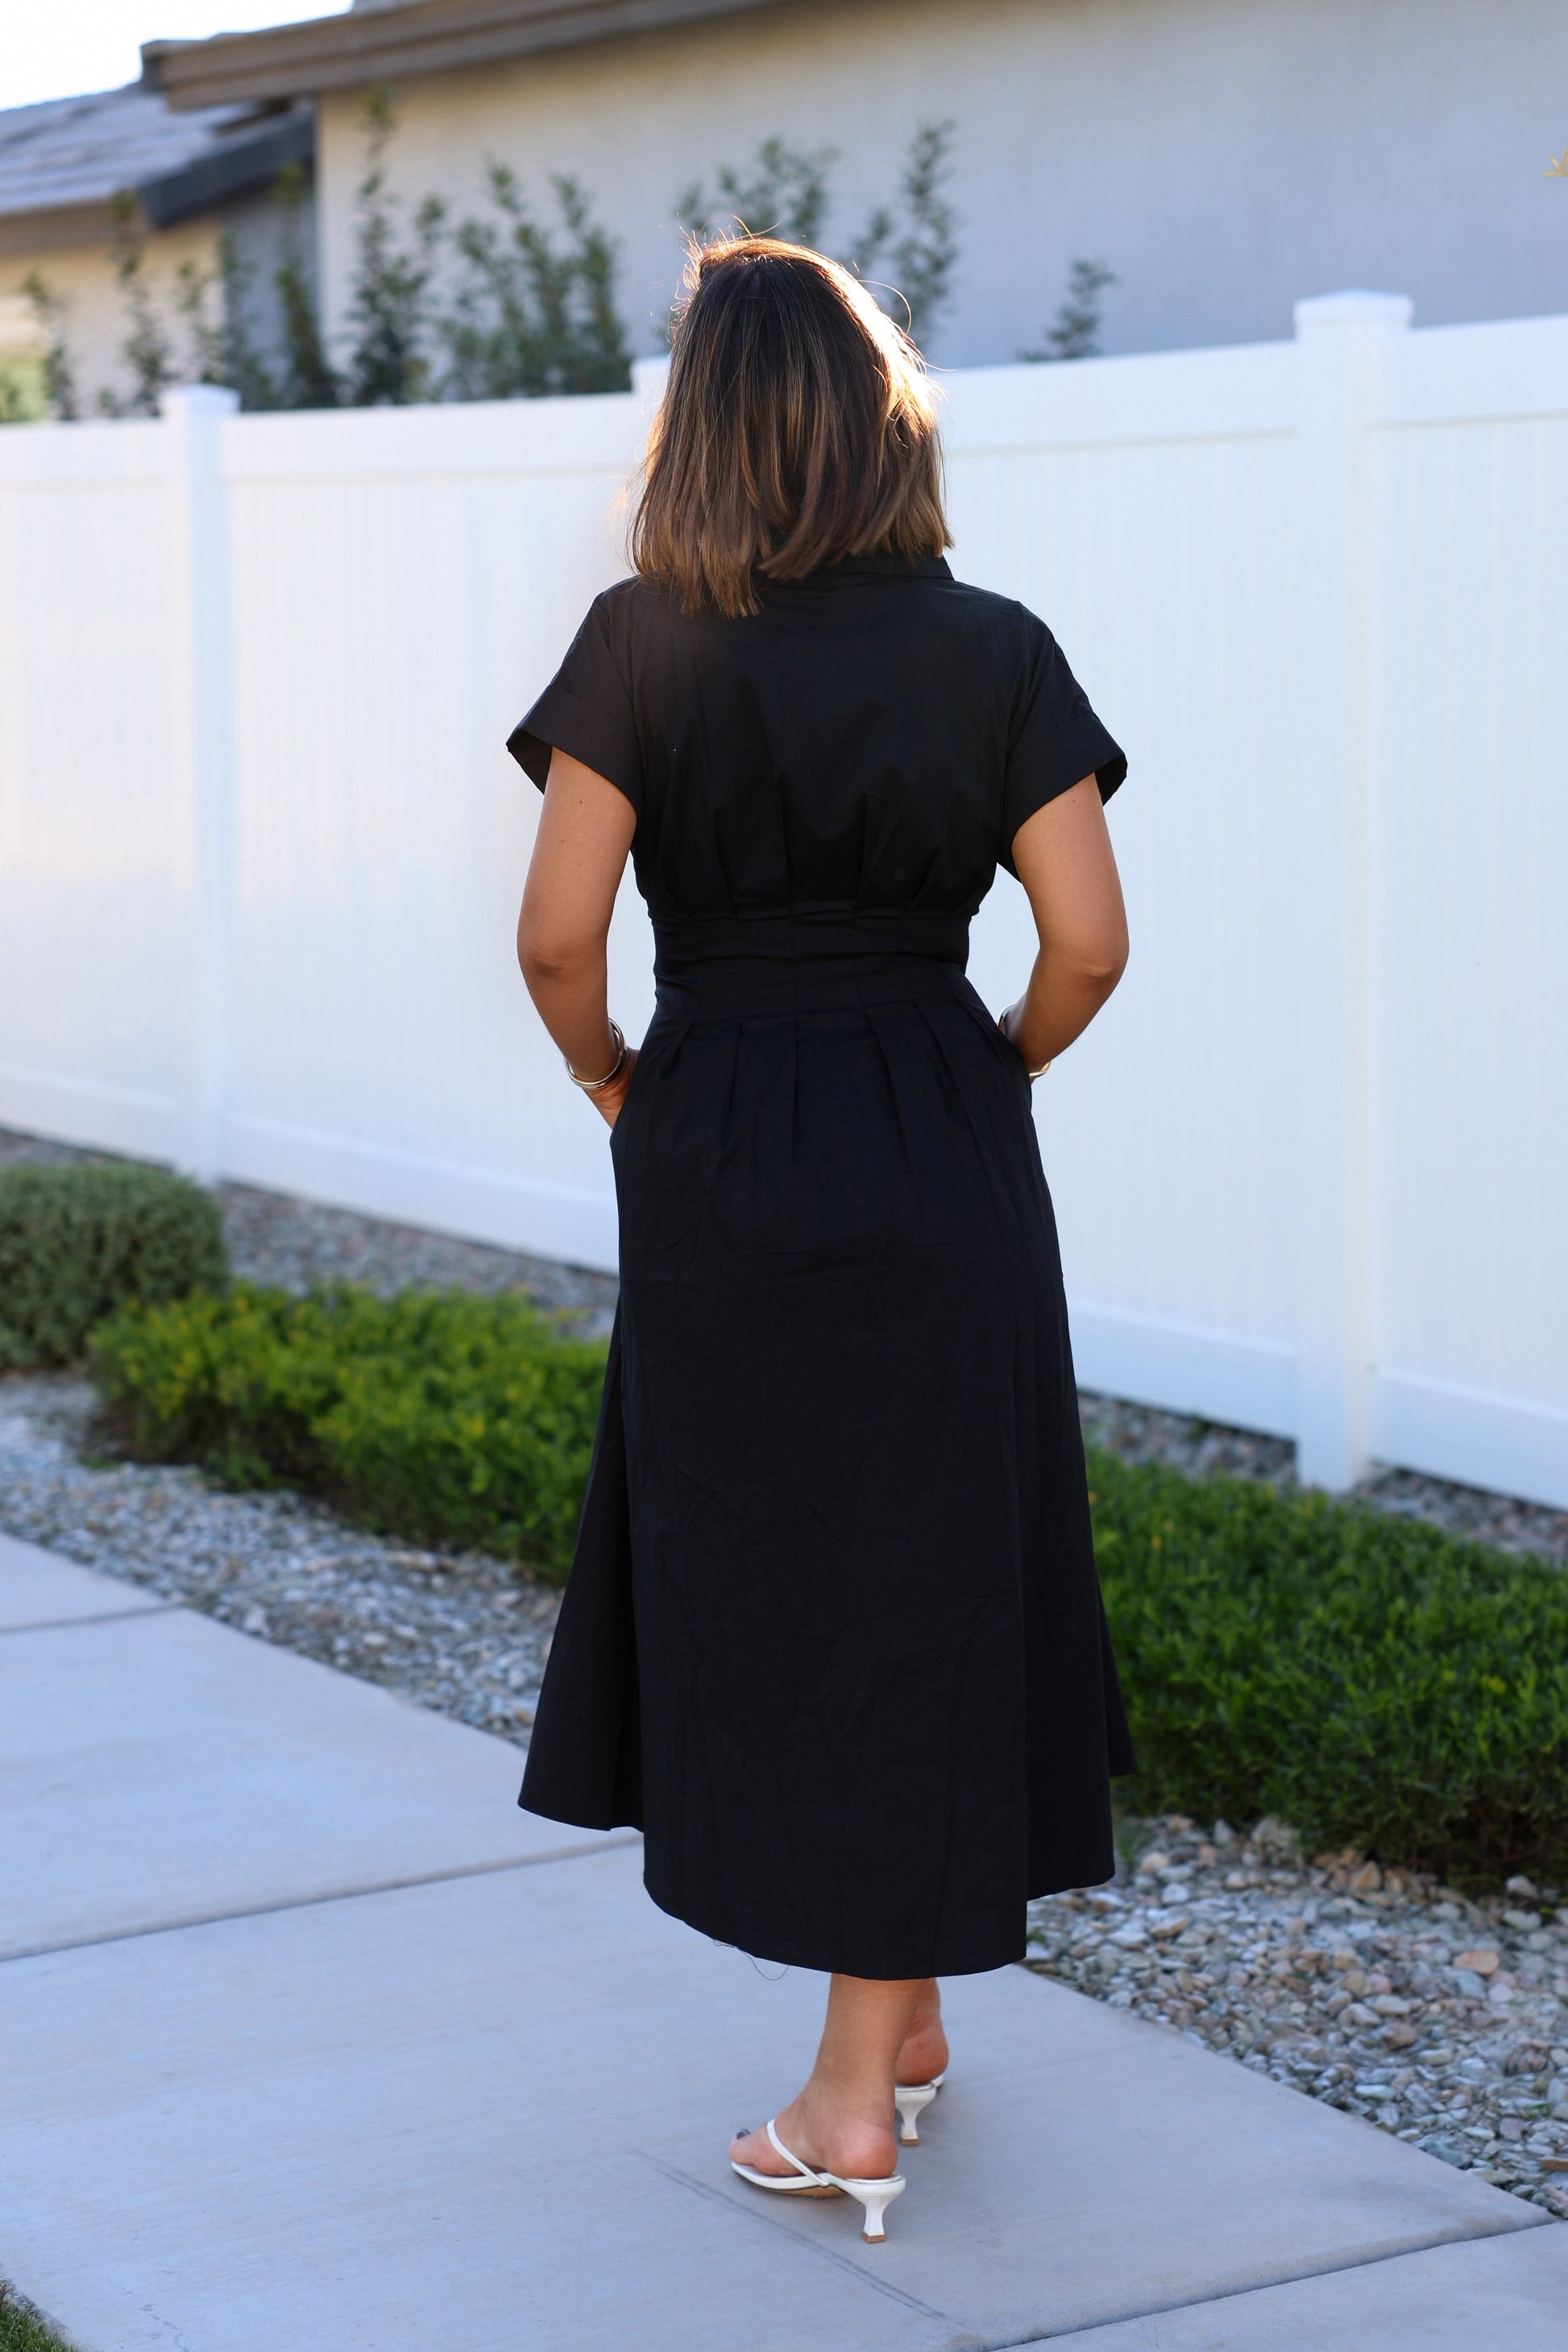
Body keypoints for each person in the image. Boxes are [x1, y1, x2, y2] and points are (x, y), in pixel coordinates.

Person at [508, 235, 1135, 2243]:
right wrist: (991, 1066)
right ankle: (908, 2013)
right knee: (928, 1564)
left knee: (777, 1565)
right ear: (886, 422)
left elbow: (554, 935)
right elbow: (1089, 938)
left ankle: (851, 2096)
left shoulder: (642, 640)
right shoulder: (995, 647)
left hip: (720, 1135)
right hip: (937, 1122)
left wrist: (618, 1078)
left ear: (699, 429)